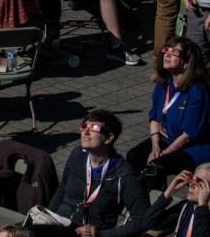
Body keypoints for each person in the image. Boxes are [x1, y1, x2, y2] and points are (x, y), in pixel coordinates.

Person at [37, 109, 147, 236]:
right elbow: (62, 189)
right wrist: (46, 216)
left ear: (109, 138)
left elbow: (142, 221)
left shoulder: (124, 175)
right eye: (84, 127)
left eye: (94, 128)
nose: (86, 132)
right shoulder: (77, 155)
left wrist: (101, 234)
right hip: (58, 225)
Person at [125, 37, 210, 189]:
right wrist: (155, 146)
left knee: (155, 166)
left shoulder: (197, 91)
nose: (167, 55)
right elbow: (154, 119)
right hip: (167, 139)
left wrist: (164, 153)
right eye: (166, 50)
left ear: (186, 62)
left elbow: (189, 134)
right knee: (133, 157)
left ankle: (156, 204)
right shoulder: (164, 83)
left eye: (174, 52)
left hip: (194, 146)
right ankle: (137, 200)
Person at [144, 164, 210, 237]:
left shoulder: (204, 213)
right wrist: (168, 192)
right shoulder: (187, 206)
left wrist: (202, 208)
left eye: (200, 183)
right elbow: (149, 222)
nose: (192, 184)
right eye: (192, 179)